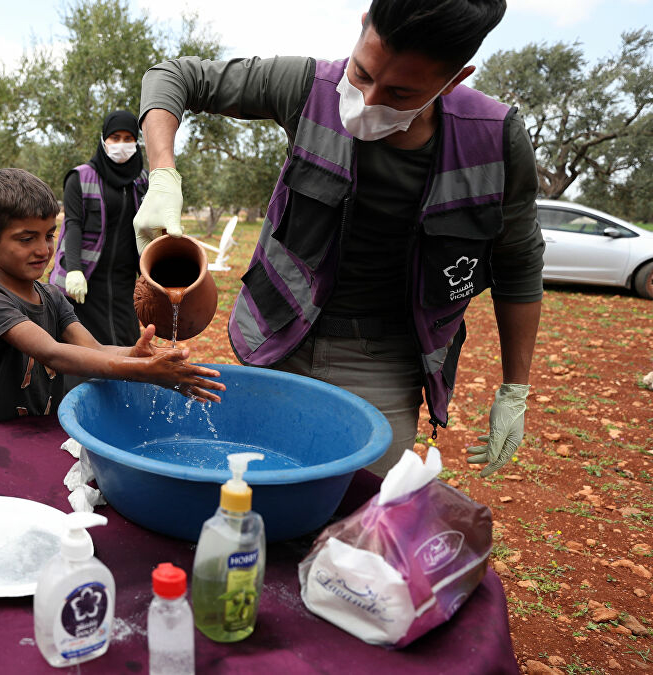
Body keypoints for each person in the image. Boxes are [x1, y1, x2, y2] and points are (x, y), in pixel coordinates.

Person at [134, 0, 543, 477]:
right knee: (256, 484)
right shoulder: (309, 88)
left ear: (453, 80)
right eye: (363, 74)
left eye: (400, 92)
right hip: (277, 339)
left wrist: (515, 389)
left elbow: (519, 265)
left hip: (385, 362)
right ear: (363, 27)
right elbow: (173, 76)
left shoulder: (495, 140)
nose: (368, 101)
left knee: (358, 506)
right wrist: (163, 173)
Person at [0, 168, 224, 431]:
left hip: (35, 437)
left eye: (49, 235)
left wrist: (135, 354)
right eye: (26, 239)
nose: (43, 249)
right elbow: (53, 353)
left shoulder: (51, 296)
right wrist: (142, 370)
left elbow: (94, 348)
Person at [49, 111, 148, 347]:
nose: (121, 144)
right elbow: (72, 223)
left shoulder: (142, 180)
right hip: (86, 280)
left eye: (128, 138)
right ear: (104, 140)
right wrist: (73, 270)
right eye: (115, 138)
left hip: (124, 282)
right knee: (85, 350)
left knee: (126, 345)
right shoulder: (80, 177)